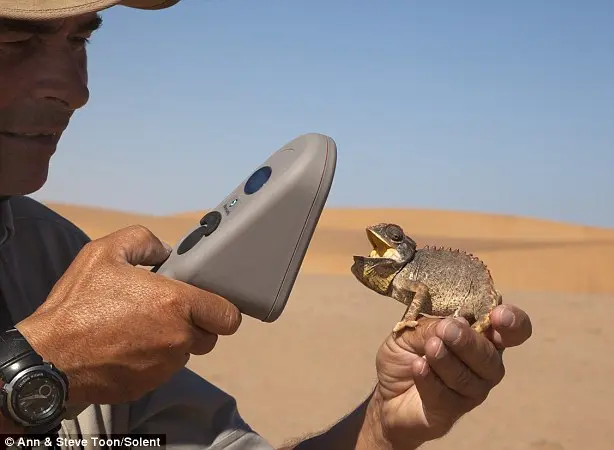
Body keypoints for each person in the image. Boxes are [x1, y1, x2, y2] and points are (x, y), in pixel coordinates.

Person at [0, 1, 533, 449]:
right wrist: (34, 369)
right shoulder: (73, 304)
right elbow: (51, 359)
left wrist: (381, 429)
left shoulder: (54, 260)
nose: (75, 89)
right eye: (16, 41)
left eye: (80, 41)